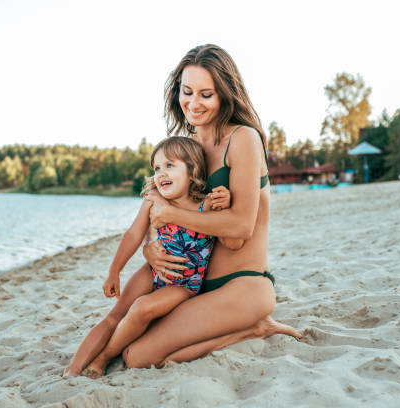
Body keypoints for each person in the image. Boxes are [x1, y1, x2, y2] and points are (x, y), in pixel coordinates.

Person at [121, 44, 302, 369]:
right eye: (187, 92)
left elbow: (240, 226)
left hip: (242, 287)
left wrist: (171, 213)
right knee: (130, 339)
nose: (194, 103)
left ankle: (252, 328)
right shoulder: (187, 148)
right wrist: (150, 246)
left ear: (225, 94)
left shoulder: (243, 139)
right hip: (193, 287)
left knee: (137, 357)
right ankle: (245, 327)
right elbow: (159, 213)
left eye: (207, 94)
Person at [63, 136, 234, 377]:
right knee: (114, 316)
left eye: (170, 165)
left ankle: (104, 357)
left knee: (142, 308)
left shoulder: (205, 205)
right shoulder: (154, 201)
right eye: (156, 168)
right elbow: (133, 235)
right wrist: (114, 271)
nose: (161, 173)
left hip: (183, 284)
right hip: (151, 271)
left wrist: (225, 201)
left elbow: (230, 230)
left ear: (192, 168)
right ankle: (73, 368)